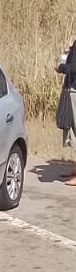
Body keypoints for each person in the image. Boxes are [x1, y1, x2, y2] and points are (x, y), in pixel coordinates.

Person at [55, 40, 76, 185]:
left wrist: (61, 67)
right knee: (72, 130)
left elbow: (74, 67)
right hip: (72, 88)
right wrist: (68, 52)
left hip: (75, 89)